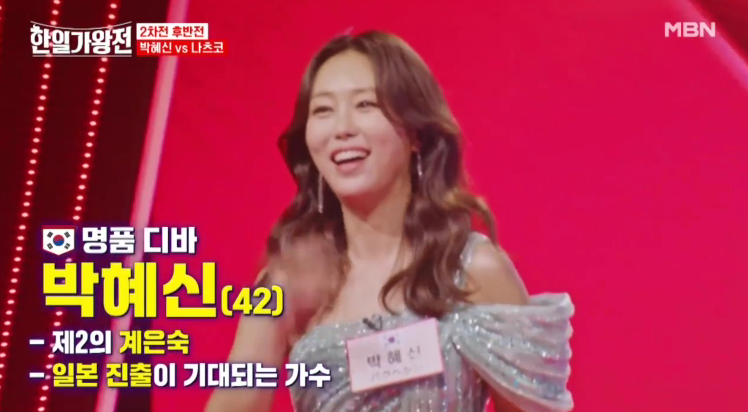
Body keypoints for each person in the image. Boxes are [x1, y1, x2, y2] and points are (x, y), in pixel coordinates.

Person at [206, 30, 574, 412]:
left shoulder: (472, 272)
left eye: (365, 104)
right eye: (323, 110)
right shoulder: (288, 286)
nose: (342, 128)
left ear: (416, 134)